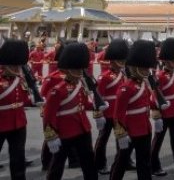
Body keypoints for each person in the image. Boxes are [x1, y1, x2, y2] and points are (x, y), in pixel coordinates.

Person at [43, 42, 97, 180]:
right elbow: (49, 116)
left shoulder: (80, 84)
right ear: (67, 69)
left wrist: (96, 106)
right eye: (76, 70)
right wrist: (51, 136)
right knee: (57, 165)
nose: (80, 73)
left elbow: (83, 104)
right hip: (64, 130)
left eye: (80, 70)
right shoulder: (57, 90)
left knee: (89, 162)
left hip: (82, 128)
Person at [109, 39, 157, 180]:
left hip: (144, 130)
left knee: (144, 163)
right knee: (121, 162)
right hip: (129, 131)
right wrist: (121, 134)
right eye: (143, 68)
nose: (146, 71)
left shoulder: (144, 85)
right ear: (134, 68)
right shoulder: (126, 88)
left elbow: (147, 103)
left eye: (146, 68)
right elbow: (118, 114)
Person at [150, 38, 174, 176]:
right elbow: (154, 95)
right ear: (165, 60)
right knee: (157, 140)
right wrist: (156, 111)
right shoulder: (160, 76)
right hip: (164, 112)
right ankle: (153, 165)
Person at [94, 39, 129, 175]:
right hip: (107, 113)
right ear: (113, 60)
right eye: (119, 59)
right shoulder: (104, 77)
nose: (121, 62)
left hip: (119, 112)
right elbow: (98, 97)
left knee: (121, 137)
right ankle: (99, 163)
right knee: (103, 139)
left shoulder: (123, 74)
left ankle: (124, 161)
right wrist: (98, 115)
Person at [0, 39, 32, 180]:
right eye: (14, 66)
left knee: (18, 159)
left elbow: (23, 100)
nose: (16, 69)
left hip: (19, 123)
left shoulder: (20, 78)